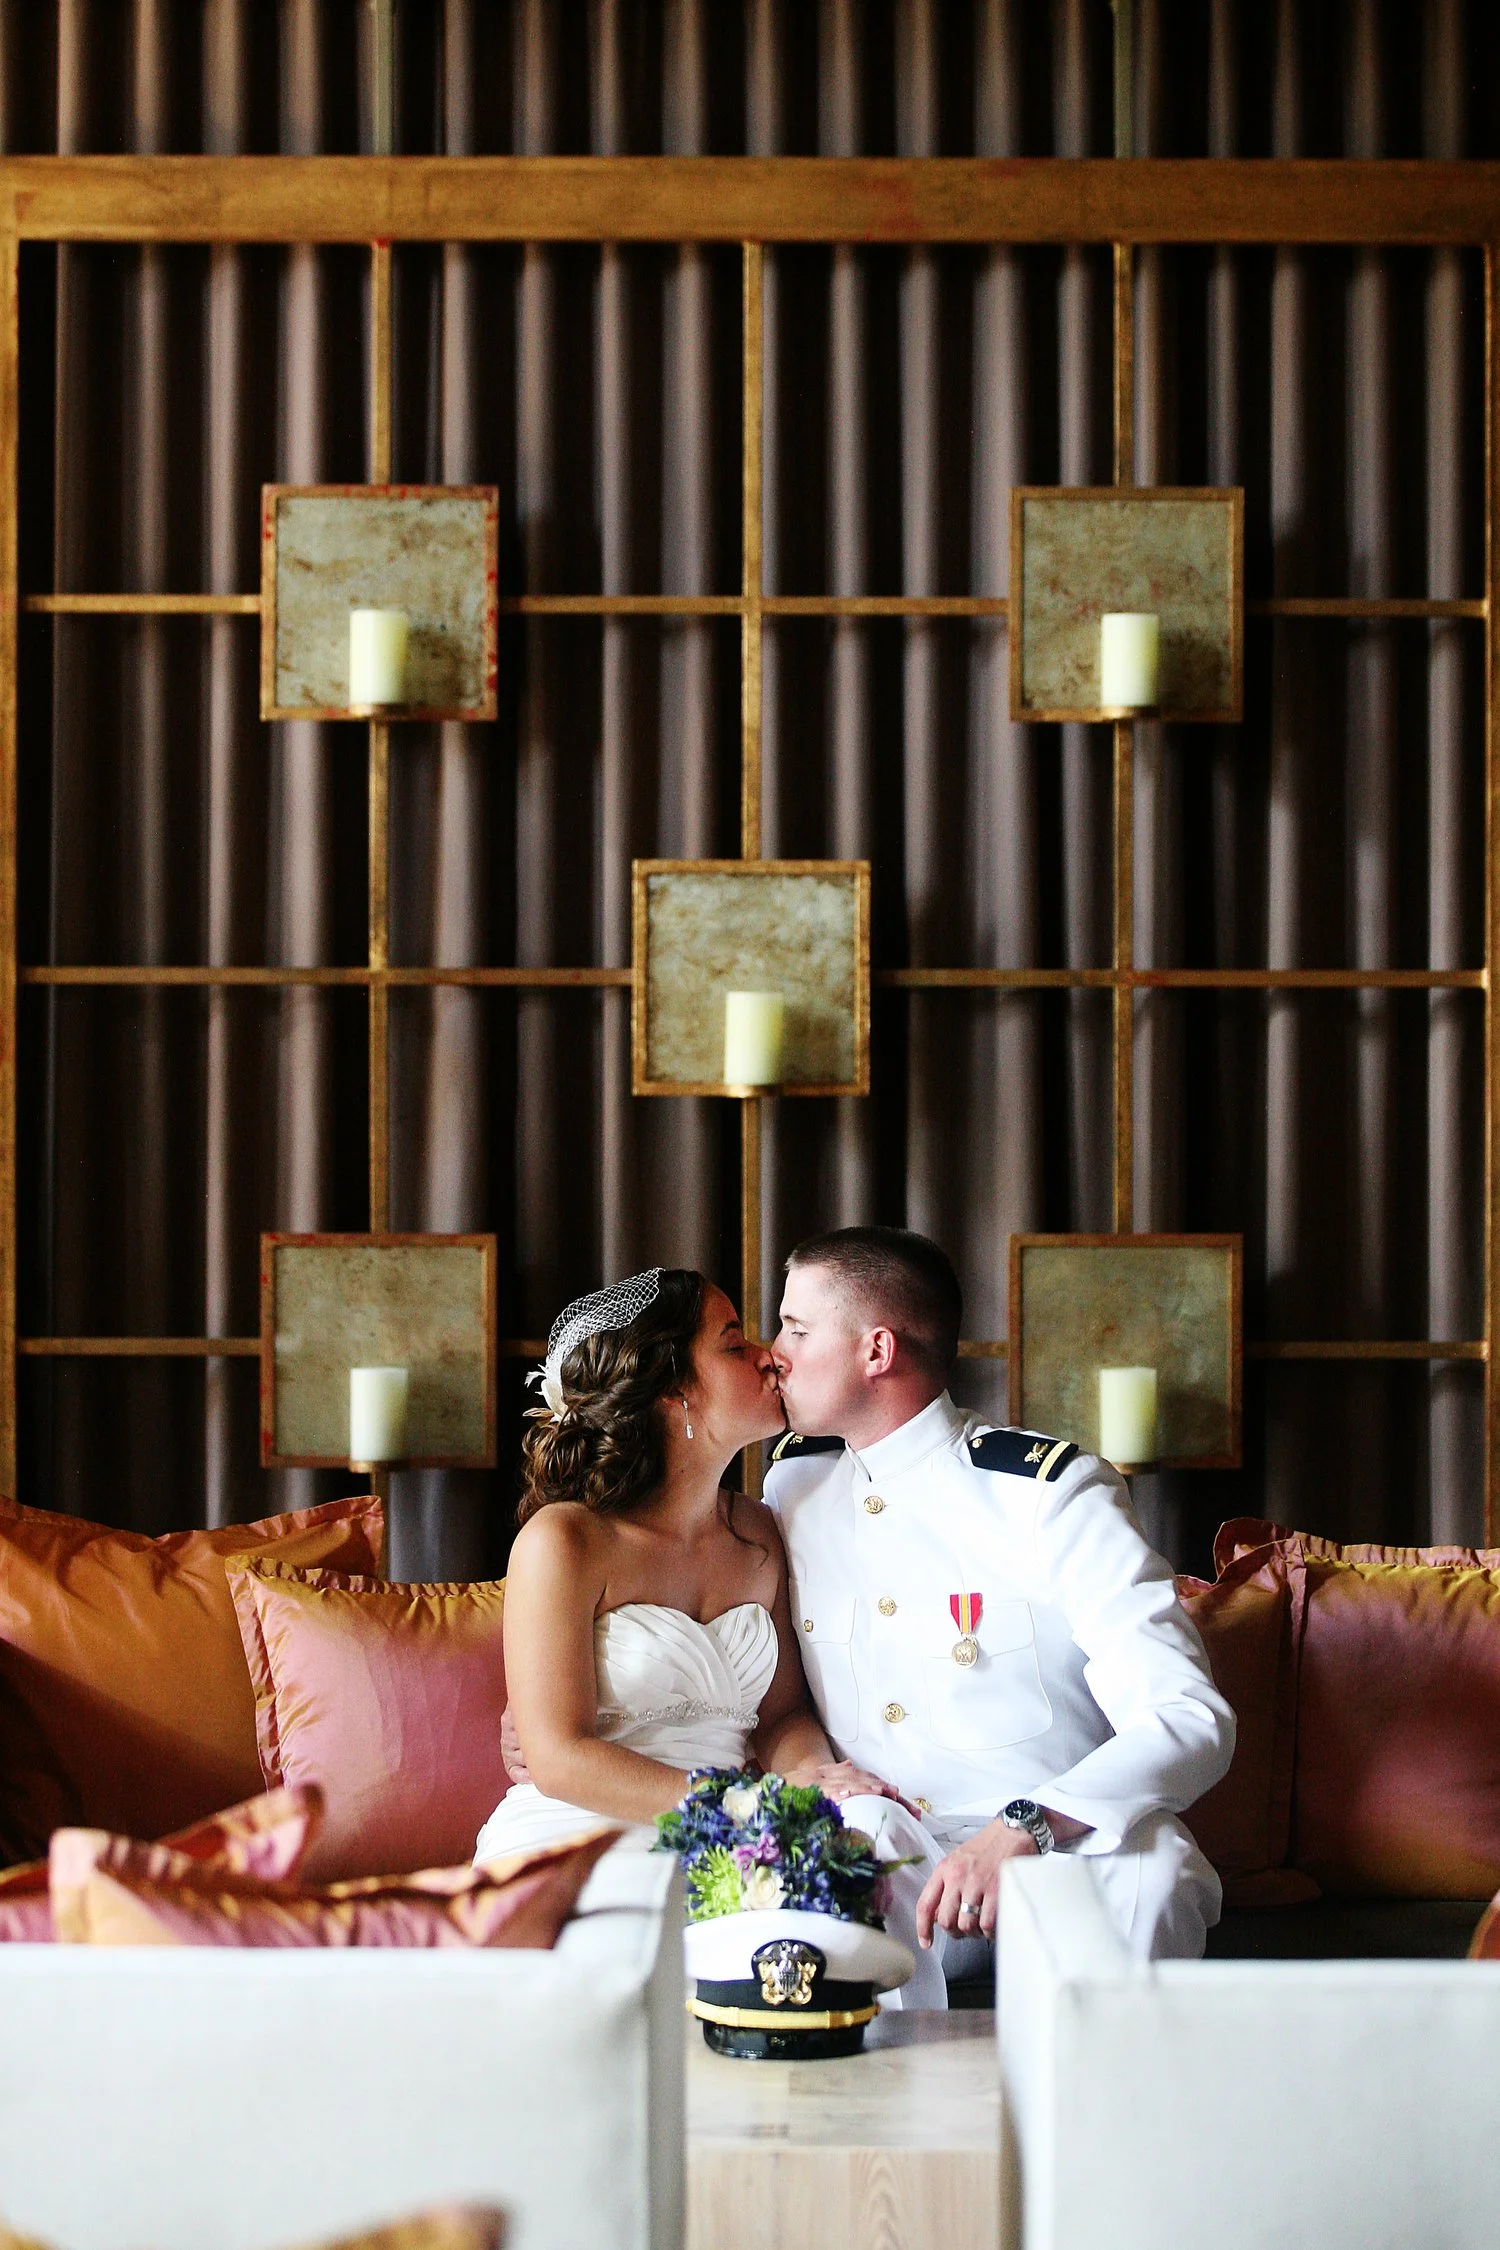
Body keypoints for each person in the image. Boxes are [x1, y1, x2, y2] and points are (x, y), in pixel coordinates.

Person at [765, 1226, 1235, 2007]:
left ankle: (1106, 2115)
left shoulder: (1048, 1493)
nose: (774, 1350)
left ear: (876, 1351)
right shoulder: (793, 1487)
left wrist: (1025, 1825)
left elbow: (1188, 1715)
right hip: (895, 1846)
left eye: (797, 1328)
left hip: (1058, 1846)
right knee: (842, 1856)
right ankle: (891, 2120)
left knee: (1156, 1868)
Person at [474, 1266, 892, 1864]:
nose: (767, 1357)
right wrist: (744, 1806)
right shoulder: (565, 1540)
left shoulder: (758, 1532)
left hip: (735, 1841)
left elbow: (782, 1718)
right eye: (733, 1343)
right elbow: (557, 1755)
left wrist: (816, 1784)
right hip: (577, 1837)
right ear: (675, 1390)